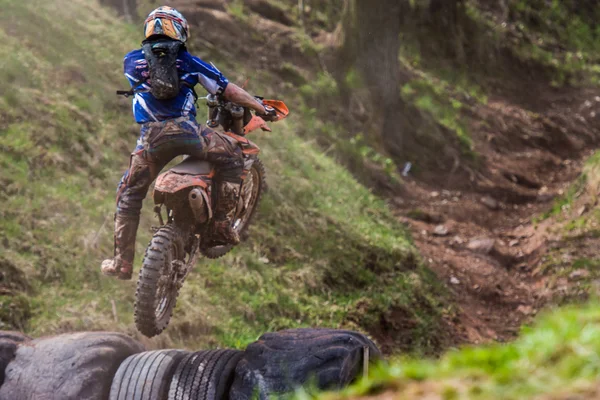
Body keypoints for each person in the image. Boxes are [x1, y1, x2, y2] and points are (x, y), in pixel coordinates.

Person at [101, 6, 272, 280]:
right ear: (180, 31)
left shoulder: (130, 62)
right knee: (234, 156)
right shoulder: (190, 61)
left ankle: (121, 262)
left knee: (129, 194)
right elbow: (226, 89)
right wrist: (259, 107)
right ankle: (220, 225)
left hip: (150, 140)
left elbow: (147, 78)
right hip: (188, 134)